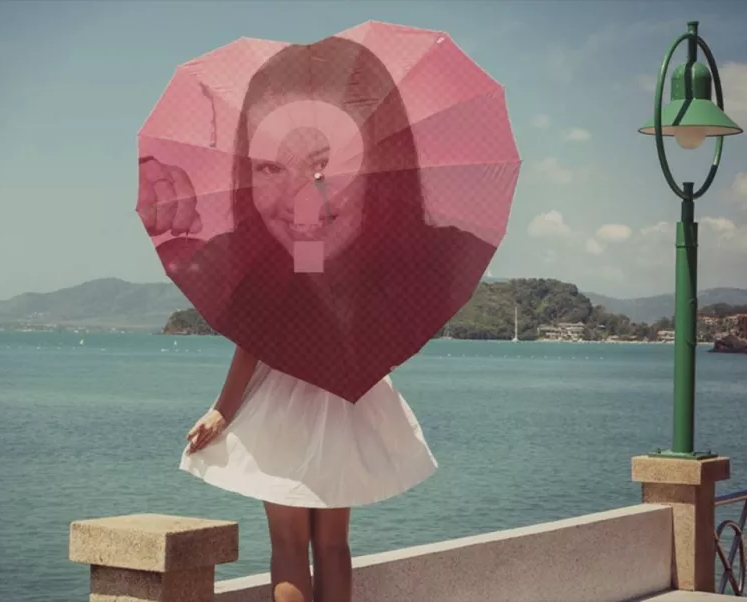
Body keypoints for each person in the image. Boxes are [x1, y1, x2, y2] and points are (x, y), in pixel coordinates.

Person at [138, 36, 494, 602]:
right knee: (334, 544)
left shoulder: (296, 247)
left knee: (286, 544)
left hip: (288, 396)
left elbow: (256, 337)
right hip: (350, 392)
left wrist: (223, 408)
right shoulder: (367, 249)